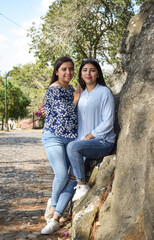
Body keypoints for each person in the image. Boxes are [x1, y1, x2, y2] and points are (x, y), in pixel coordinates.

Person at [67, 58, 116, 202]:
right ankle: (55, 216)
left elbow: (108, 122)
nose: (88, 73)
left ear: (98, 74)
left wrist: (88, 137)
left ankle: (82, 185)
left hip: (102, 142)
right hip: (83, 143)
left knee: (72, 147)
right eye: (85, 70)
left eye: (92, 70)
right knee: (70, 179)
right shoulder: (81, 95)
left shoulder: (104, 92)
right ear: (81, 74)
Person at [41, 56, 80, 235]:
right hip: (54, 137)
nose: (68, 72)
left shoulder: (71, 88)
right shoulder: (54, 89)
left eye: (71, 69)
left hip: (71, 137)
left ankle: (54, 208)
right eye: (64, 69)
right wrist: (76, 98)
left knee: (68, 176)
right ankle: (55, 207)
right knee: (62, 174)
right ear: (57, 71)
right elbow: (64, 113)